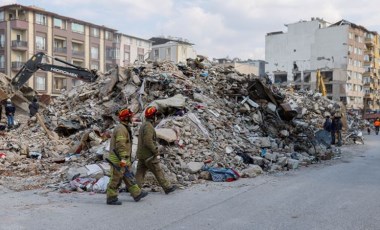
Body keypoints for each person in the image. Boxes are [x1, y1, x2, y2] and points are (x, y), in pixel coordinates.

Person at [106, 108, 148, 205]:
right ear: (126, 118)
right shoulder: (121, 129)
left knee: (128, 177)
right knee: (116, 178)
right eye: (131, 117)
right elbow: (121, 145)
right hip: (118, 159)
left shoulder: (124, 127)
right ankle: (111, 197)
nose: (132, 118)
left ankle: (137, 194)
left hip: (123, 158)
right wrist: (124, 158)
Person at [135, 106, 176, 194]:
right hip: (148, 155)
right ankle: (167, 187)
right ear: (153, 116)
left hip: (141, 155)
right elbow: (148, 141)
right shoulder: (149, 126)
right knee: (157, 170)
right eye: (155, 115)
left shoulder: (143, 125)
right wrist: (155, 151)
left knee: (140, 173)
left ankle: (136, 190)